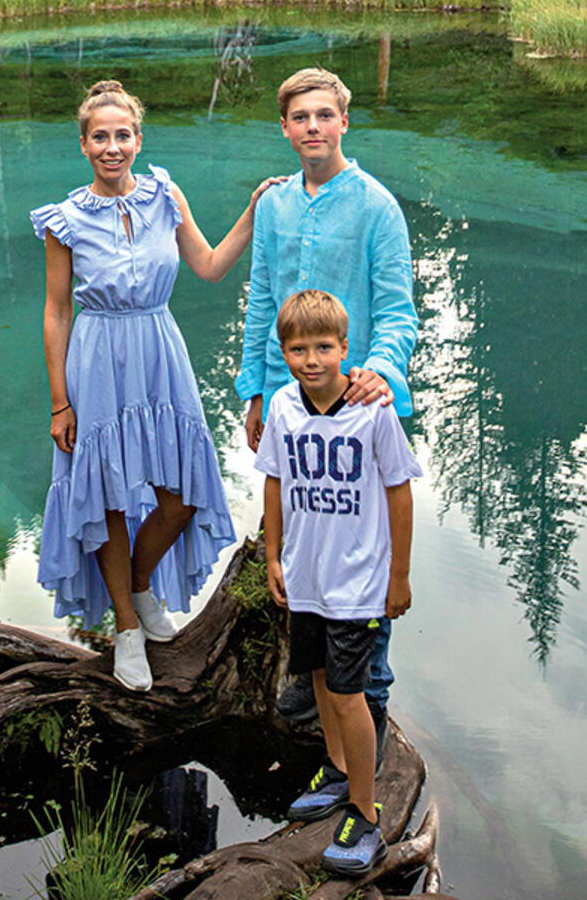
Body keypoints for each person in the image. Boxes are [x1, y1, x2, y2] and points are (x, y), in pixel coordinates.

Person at [32, 79, 282, 692]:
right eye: (100, 137)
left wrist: (251, 213)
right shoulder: (64, 222)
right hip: (97, 358)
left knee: (182, 493)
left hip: (160, 351)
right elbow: (57, 312)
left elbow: (210, 266)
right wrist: (60, 401)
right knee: (108, 498)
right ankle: (126, 629)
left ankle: (141, 588)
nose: (112, 146)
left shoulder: (166, 196)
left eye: (122, 135)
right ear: (84, 145)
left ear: (138, 140)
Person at [235, 66, 417, 742]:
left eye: (324, 116)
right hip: (291, 404)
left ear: (344, 121)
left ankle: (372, 698)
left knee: (365, 544)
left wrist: (382, 370)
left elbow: (399, 310)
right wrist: (254, 388)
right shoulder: (276, 205)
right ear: (284, 128)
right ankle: (310, 684)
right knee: (307, 523)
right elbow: (261, 301)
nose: (313, 127)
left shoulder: (376, 206)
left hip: (358, 406)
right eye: (300, 118)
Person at [258, 290, 421, 877]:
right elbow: (274, 480)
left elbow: (400, 491)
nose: (312, 360)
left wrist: (398, 575)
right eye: (298, 349)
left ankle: (365, 812)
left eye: (323, 347)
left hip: (358, 587)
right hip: (307, 579)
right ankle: (335, 768)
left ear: (344, 348)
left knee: (352, 693)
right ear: (284, 353)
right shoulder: (282, 407)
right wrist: (273, 557)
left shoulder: (372, 412)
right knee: (322, 678)